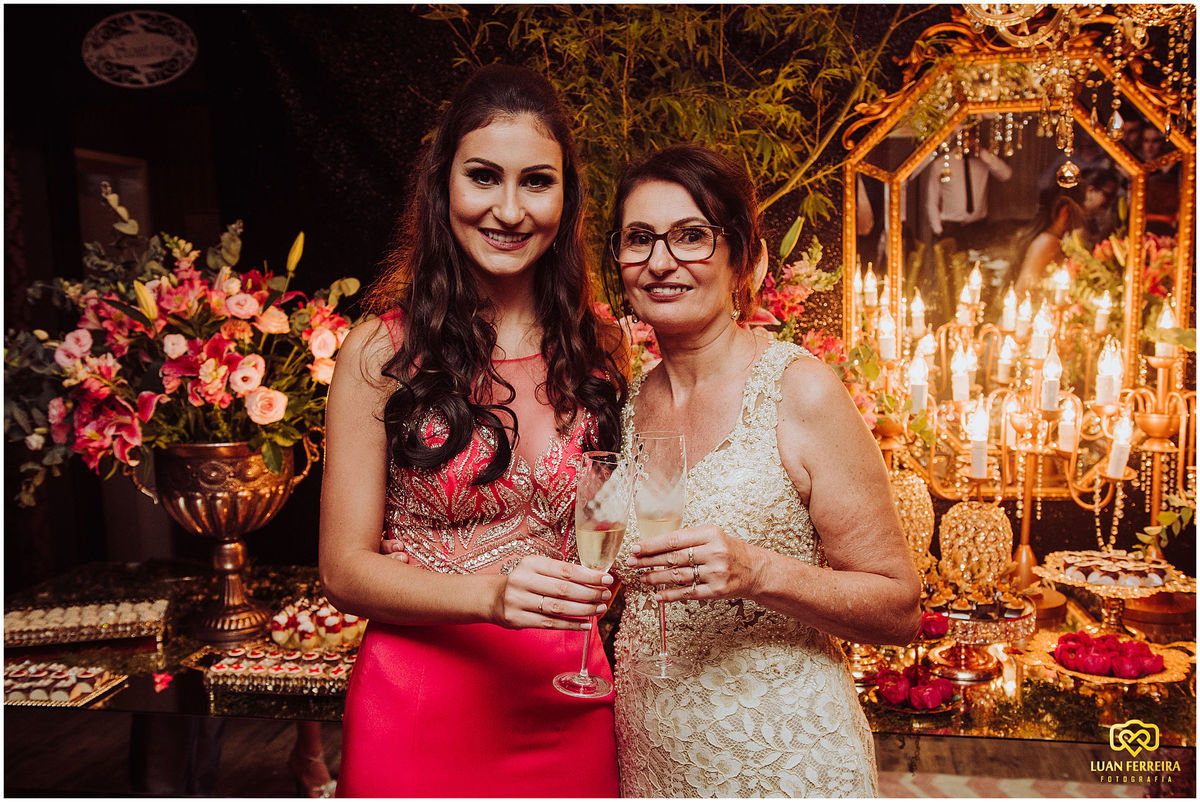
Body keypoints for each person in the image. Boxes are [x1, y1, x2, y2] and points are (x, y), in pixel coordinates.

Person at [319, 64, 626, 797]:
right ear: (443, 187)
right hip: (419, 708)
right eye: (484, 177)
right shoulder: (378, 350)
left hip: (568, 700)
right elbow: (342, 569)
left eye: (537, 182)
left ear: (567, 196)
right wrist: (488, 596)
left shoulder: (602, 346)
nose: (511, 210)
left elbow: (611, 522)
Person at [602, 144, 921, 796]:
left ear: (745, 258)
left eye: (691, 236)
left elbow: (898, 608)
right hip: (653, 756)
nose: (660, 262)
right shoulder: (628, 401)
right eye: (639, 240)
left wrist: (758, 571)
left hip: (783, 760)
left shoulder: (798, 390)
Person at [1013, 188, 1085, 300]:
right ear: (1065, 211)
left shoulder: (1051, 239)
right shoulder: (1047, 241)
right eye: (1081, 209)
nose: (1081, 218)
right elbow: (1022, 289)